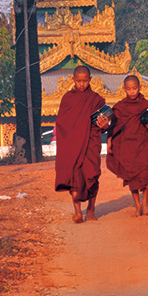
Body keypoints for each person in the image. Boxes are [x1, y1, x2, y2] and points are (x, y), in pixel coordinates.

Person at [54, 65, 109, 224]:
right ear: (73, 80)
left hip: (91, 142)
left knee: (92, 175)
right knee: (75, 177)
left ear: (90, 80)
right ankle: (78, 211)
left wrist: (104, 125)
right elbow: (61, 122)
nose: (82, 84)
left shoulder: (96, 99)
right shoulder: (67, 99)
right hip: (73, 144)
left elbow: (105, 122)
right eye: (79, 81)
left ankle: (91, 210)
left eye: (85, 81)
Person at [106, 75, 148, 216]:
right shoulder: (120, 107)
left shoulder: (147, 105)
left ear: (140, 88)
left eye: (134, 88)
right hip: (126, 144)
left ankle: (146, 203)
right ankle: (137, 205)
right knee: (131, 174)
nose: (132, 92)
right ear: (124, 89)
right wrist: (109, 140)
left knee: (144, 172)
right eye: (129, 89)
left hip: (142, 143)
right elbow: (113, 126)